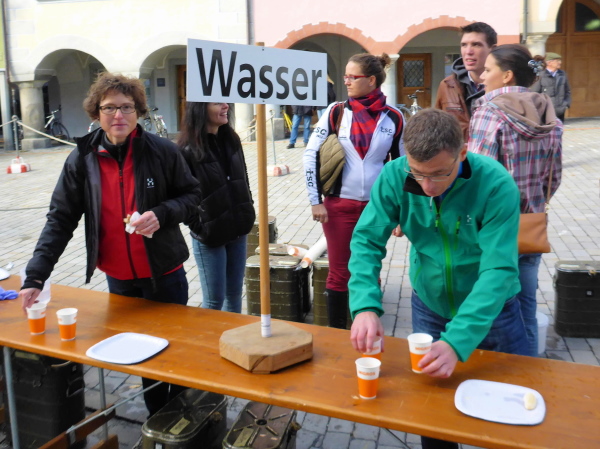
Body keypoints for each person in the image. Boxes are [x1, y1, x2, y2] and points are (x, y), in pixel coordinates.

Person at [18, 72, 202, 416]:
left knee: (174, 355)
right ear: (96, 112)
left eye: (127, 107)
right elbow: (60, 219)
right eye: (109, 107)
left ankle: (182, 419)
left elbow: (192, 196)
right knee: (141, 357)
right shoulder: (82, 159)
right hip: (119, 280)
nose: (119, 115)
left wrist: (162, 213)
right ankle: (158, 420)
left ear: (139, 111)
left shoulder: (162, 151)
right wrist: (36, 275)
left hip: (165, 274)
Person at [349, 108, 528, 449]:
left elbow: (498, 270)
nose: (427, 187)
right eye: (417, 173)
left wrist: (457, 340)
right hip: (429, 305)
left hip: (495, 313)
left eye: (439, 174)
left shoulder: (495, 184)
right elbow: (366, 240)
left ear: (462, 153)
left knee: (512, 410)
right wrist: (365, 305)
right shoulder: (395, 175)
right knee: (431, 412)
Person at [468, 44, 563, 357]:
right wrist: (532, 203)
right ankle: (530, 374)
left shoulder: (488, 113)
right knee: (526, 307)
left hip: (493, 230)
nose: (482, 77)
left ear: (507, 75)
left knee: (490, 309)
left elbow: (477, 180)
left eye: (488, 70)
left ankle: (497, 375)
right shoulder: (549, 117)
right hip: (530, 227)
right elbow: (554, 178)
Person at [304, 52, 404, 329]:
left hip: (377, 207)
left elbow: (402, 167)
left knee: (370, 268)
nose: (346, 81)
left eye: (352, 77)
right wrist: (315, 200)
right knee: (339, 272)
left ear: (371, 80)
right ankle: (337, 333)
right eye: (345, 76)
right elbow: (310, 154)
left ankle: (370, 329)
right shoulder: (336, 112)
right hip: (338, 205)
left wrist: (401, 212)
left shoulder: (393, 117)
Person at [179, 102, 255, 313]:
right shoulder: (187, 150)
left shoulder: (231, 139)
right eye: (217, 103)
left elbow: (243, 179)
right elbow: (180, 196)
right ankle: (209, 336)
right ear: (200, 108)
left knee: (234, 295)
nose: (226, 106)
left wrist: (247, 207)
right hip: (210, 236)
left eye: (225, 101)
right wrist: (200, 226)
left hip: (238, 229)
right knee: (214, 301)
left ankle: (232, 335)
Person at [435, 22, 497, 141]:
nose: (468, 51)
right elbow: (437, 128)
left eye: (476, 45)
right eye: (464, 45)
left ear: (492, 50)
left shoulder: (503, 86)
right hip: (458, 152)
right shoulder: (447, 85)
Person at [530, 52, 571, 122]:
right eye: (557, 61)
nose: (560, 62)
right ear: (549, 63)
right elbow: (535, 93)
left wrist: (566, 104)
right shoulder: (540, 75)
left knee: (559, 128)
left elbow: (567, 91)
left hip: (560, 110)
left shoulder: (562, 74)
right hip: (545, 111)